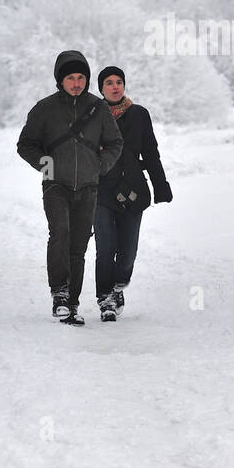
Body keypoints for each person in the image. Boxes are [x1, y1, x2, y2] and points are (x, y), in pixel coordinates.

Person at [16, 50, 123, 326]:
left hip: (88, 186)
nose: (76, 82)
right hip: (56, 185)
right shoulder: (44, 109)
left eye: (81, 77)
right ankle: (59, 293)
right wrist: (46, 166)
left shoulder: (98, 109)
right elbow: (25, 144)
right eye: (70, 78)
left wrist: (100, 167)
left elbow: (115, 143)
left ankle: (72, 304)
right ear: (60, 80)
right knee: (60, 233)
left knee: (78, 246)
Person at [93, 65, 171, 322]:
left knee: (128, 251)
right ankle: (105, 298)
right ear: (101, 88)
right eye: (109, 83)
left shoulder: (139, 114)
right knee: (105, 248)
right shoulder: (92, 114)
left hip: (132, 190)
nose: (115, 86)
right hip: (101, 190)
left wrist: (161, 185)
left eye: (118, 82)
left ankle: (118, 287)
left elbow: (150, 152)